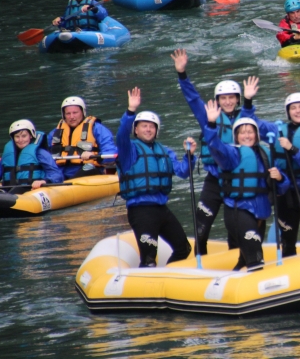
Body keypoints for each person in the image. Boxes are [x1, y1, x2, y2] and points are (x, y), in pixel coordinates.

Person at [171, 48, 251, 255]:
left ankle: (239, 262)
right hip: (214, 180)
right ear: (217, 100)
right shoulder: (208, 115)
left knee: (235, 230)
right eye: (223, 98)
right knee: (201, 228)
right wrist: (182, 74)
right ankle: (201, 262)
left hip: (238, 180)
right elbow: (193, 98)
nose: (227, 102)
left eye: (231, 98)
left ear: (238, 99)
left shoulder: (246, 117)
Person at [240, 85, 300, 257]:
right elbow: (250, 124)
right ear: (288, 112)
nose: (298, 111)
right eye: (293, 108)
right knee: (287, 243)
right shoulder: (278, 130)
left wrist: (292, 149)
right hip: (285, 194)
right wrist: (248, 101)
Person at [203, 102, 289, 271]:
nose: (247, 135)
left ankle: (237, 273)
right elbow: (215, 147)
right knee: (255, 257)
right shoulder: (231, 154)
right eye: (242, 133)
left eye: (250, 132)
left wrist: (280, 178)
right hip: (238, 211)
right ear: (236, 137)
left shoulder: (266, 154)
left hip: (260, 213)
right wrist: (211, 125)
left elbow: (282, 188)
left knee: (245, 258)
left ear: (257, 135)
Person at [116, 87, 195, 268]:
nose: (148, 129)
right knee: (149, 258)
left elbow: (183, 172)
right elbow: (121, 135)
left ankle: (168, 278)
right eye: (144, 126)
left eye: (152, 126)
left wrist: (189, 155)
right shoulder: (129, 150)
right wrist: (131, 111)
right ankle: (146, 288)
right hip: (141, 211)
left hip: (161, 209)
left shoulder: (165, 151)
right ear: (135, 130)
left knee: (183, 248)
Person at [48, 96, 117, 180]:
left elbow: (111, 152)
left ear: (82, 112)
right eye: (68, 113)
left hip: (88, 170)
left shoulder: (97, 129)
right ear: (64, 115)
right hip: (61, 172)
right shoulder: (54, 133)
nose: (72, 117)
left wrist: (95, 156)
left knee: (88, 168)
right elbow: (45, 154)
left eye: (75, 112)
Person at [0, 120, 63, 192]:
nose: (20, 140)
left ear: (31, 136)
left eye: (24, 136)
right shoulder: (7, 156)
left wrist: (44, 181)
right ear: (13, 138)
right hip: (10, 192)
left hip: (32, 191)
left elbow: (56, 174)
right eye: (17, 137)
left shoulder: (40, 153)